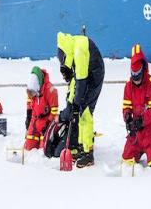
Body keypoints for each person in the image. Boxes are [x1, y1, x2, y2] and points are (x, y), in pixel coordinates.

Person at [52, 31, 105, 168]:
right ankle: (82, 148)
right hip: (89, 75)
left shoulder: (78, 49)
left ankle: (88, 154)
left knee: (85, 113)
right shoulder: (74, 45)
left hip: (94, 76)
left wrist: (76, 103)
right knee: (80, 110)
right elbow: (76, 82)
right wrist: (74, 103)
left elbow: (81, 81)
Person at [24, 66, 58, 150]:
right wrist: (28, 117)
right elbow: (29, 103)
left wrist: (48, 124)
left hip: (47, 120)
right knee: (29, 147)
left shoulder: (51, 90)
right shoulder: (31, 89)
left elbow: (54, 110)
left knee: (44, 149)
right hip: (34, 120)